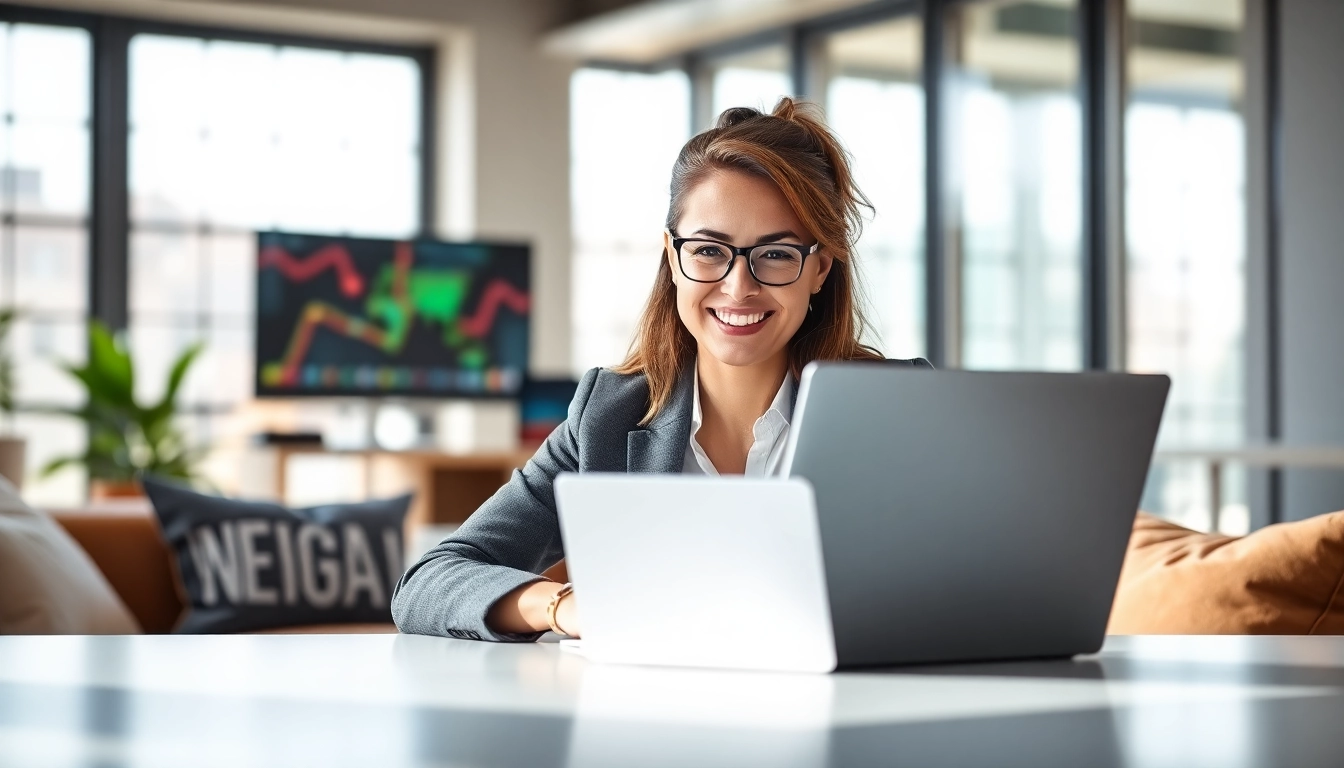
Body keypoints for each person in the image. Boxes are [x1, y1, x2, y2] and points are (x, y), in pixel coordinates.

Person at [391, 97, 932, 642]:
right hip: (656, 716)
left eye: (775, 254)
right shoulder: (607, 414)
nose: (738, 286)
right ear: (673, 258)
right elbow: (429, 581)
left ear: (819, 268)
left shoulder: (899, 408)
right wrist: (563, 606)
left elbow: (977, 582)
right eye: (707, 250)